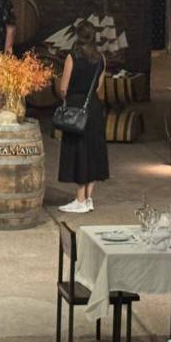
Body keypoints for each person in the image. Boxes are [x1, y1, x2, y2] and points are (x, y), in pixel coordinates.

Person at [57, 22, 108, 213]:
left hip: (75, 109)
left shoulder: (72, 58)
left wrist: (67, 98)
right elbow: (98, 86)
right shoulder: (101, 58)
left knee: (78, 152)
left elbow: (63, 88)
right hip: (93, 108)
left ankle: (79, 200)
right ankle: (88, 198)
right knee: (93, 151)